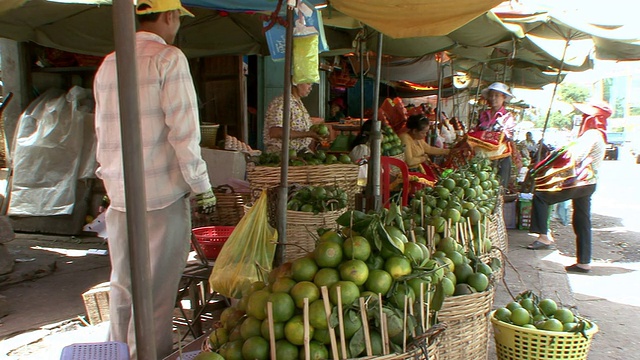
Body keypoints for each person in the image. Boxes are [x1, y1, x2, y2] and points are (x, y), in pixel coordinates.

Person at [93, 0, 217, 357]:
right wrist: (202, 187)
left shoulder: (109, 62)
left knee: (123, 287)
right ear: (169, 16)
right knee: (158, 295)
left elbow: (101, 131)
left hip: (120, 195)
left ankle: (117, 354)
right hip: (161, 197)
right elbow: (184, 133)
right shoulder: (168, 58)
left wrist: (108, 180)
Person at [526, 101, 612, 274]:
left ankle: (544, 237)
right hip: (589, 182)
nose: (582, 118)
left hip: (580, 182)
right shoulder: (600, 135)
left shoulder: (592, 134)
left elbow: (577, 156)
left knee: (542, 196)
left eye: (586, 116)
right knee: (582, 220)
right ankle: (584, 262)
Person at [476, 82, 516, 188]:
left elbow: (508, 136)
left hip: (500, 158)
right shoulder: (483, 115)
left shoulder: (507, 117)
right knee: (481, 188)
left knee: (498, 188)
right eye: (491, 95)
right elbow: (476, 132)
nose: (493, 98)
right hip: (483, 158)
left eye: (497, 95)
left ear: (504, 97)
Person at [263, 82, 323, 153]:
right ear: (297, 83)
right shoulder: (282, 103)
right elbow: (275, 132)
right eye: (308, 84)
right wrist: (308, 134)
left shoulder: (298, 103)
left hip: (299, 154)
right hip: (282, 155)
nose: (310, 88)